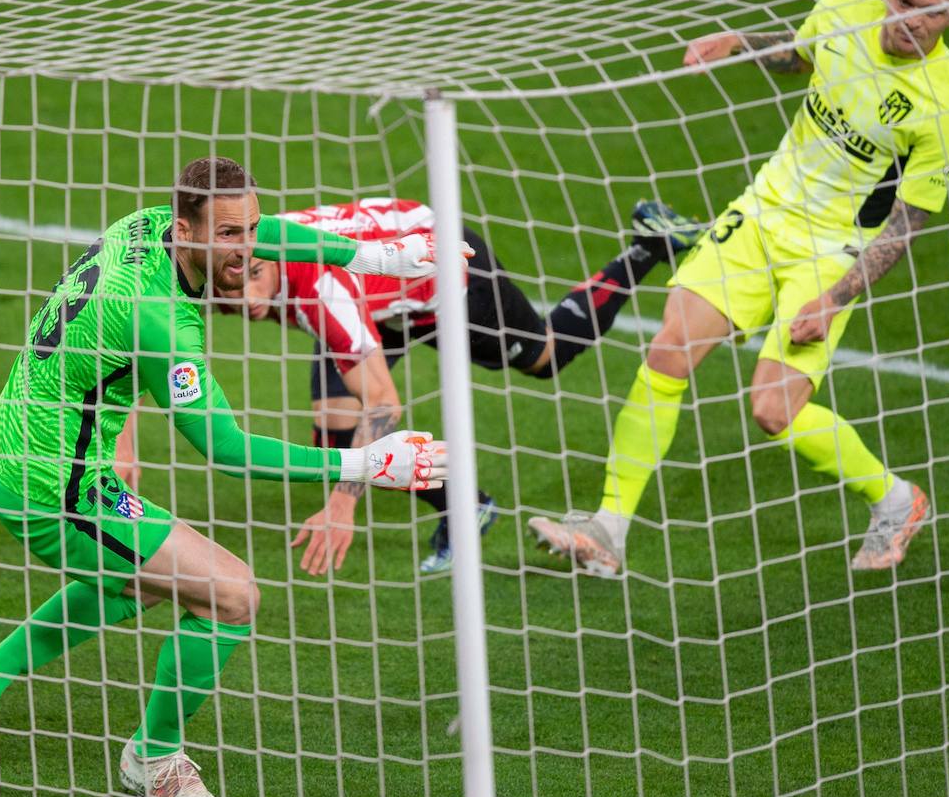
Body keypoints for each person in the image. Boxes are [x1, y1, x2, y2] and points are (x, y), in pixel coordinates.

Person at [0, 157, 447, 797]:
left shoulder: (146, 226)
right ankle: (154, 762)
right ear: (187, 229)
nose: (246, 249)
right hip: (51, 488)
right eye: (228, 234)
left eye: (249, 228)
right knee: (231, 595)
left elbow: (260, 232)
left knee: (146, 581)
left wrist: (375, 256)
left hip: (34, 454)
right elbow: (226, 448)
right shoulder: (161, 320)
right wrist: (363, 464)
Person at [529, 0, 949, 576]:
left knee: (772, 411)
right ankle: (607, 531)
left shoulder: (945, 103)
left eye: (929, 12)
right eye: (902, 2)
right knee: (668, 352)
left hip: (829, 250)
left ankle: (896, 500)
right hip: (761, 215)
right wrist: (738, 42)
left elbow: (904, 225)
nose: (910, 21)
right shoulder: (842, 10)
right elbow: (800, 53)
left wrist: (835, 297)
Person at [122, 197, 693, 575]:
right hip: (379, 298)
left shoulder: (320, 290)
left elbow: (385, 405)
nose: (246, 300)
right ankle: (468, 507)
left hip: (444, 276)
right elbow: (147, 331)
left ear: (270, 259)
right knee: (334, 433)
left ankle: (645, 248)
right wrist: (123, 442)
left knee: (545, 356)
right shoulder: (228, 253)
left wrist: (341, 504)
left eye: (255, 278)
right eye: (235, 284)